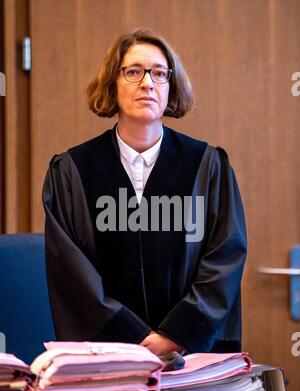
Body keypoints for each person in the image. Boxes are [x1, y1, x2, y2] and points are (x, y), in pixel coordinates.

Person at [42, 28, 247, 356]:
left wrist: (176, 334)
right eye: (134, 71)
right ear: (113, 82)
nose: (147, 83)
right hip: (108, 359)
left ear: (170, 86)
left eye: (159, 73)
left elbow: (225, 257)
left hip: (190, 355)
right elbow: (71, 271)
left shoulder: (207, 166)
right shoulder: (72, 171)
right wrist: (131, 340)